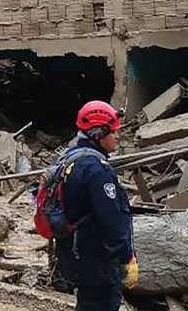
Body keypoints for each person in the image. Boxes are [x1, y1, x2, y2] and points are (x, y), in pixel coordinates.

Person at [54, 100, 137, 311]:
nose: (118, 137)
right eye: (114, 132)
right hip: (97, 262)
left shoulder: (69, 160)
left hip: (76, 255)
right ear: (98, 134)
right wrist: (127, 256)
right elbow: (111, 218)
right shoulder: (97, 170)